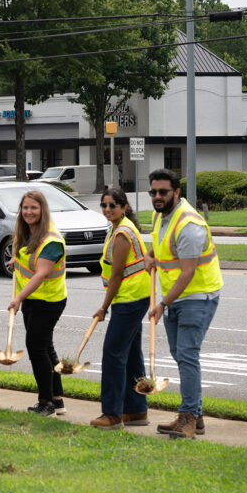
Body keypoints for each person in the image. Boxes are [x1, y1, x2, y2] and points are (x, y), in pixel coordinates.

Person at [146, 168, 222, 439]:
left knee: (187, 355)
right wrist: (149, 254)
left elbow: (188, 271)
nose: (157, 196)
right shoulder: (161, 215)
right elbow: (161, 242)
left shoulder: (189, 225)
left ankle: (188, 417)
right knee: (181, 355)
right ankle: (195, 417)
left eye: (163, 192)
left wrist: (162, 304)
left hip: (197, 296)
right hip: (175, 297)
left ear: (176, 192)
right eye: (153, 191)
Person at [90, 187, 150, 430]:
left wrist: (103, 307)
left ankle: (112, 414)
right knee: (132, 354)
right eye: (104, 205)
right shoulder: (118, 228)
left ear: (124, 207)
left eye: (112, 205)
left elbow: (116, 275)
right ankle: (136, 410)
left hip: (129, 299)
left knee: (113, 354)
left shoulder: (123, 233)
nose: (107, 209)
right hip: (134, 297)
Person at [7, 190, 67, 417]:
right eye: (25, 208)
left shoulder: (51, 241)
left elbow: (41, 274)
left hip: (48, 301)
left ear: (42, 210)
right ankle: (57, 399)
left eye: (34, 208)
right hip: (33, 299)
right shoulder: (26, 233)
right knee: (46, 347)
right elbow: (27, 259)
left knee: (37, 348)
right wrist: (15, 259)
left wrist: (18, 298)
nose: (29, 212)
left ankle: (46, 403)